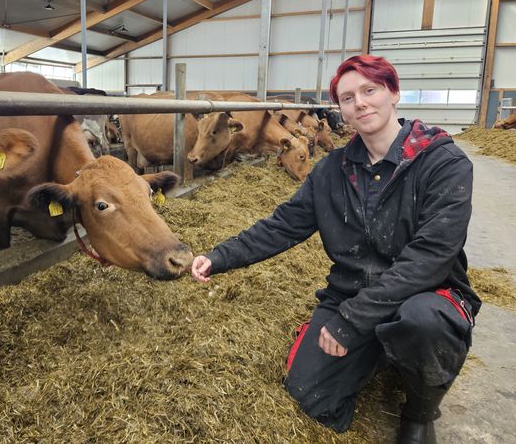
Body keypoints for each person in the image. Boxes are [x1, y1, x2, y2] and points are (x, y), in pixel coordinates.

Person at [191, 54, 480, 444]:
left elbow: (431, 257)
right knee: (308, 394)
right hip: (354, 292)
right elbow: (282, 226)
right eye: (347, 98)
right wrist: (220, 256)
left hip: (429, 292)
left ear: (393, 94)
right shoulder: (332, 170)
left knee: (422, 322)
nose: (359, 102)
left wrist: (352, 320)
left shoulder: (441, 162)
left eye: (369, 90)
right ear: (340, 110)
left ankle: (419, 411)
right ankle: (378, 350)